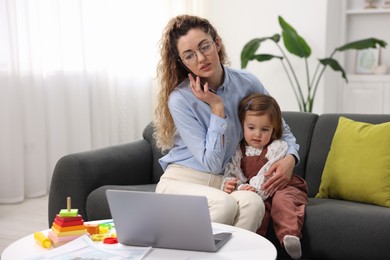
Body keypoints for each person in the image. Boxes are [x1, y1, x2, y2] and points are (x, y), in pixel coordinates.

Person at [153, 14, 299, 233]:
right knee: (224, 205)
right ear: (182, 62)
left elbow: (281, 129)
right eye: (189, 55)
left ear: (217, 43)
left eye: (205, 47)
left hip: (225, 180)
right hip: (184, 179)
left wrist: (291, 158)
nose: (201, 59)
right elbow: (211, 163)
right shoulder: (180, 99)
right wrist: (217, 108)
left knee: (253, 203)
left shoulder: (247, 82)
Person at [222, 93, 308, 259]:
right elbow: (233, 171)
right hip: (256, 191)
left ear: (274, 129)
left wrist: (252, 189)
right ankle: (254, 248)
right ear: (242, 125)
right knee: (259, 210)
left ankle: (290, 236)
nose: (257, 134)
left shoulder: (278, 147)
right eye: (251, 128)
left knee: (283, 201)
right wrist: (235, 185)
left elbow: (267, 174)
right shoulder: (238, 149)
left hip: (279, 185)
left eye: (265, 129)